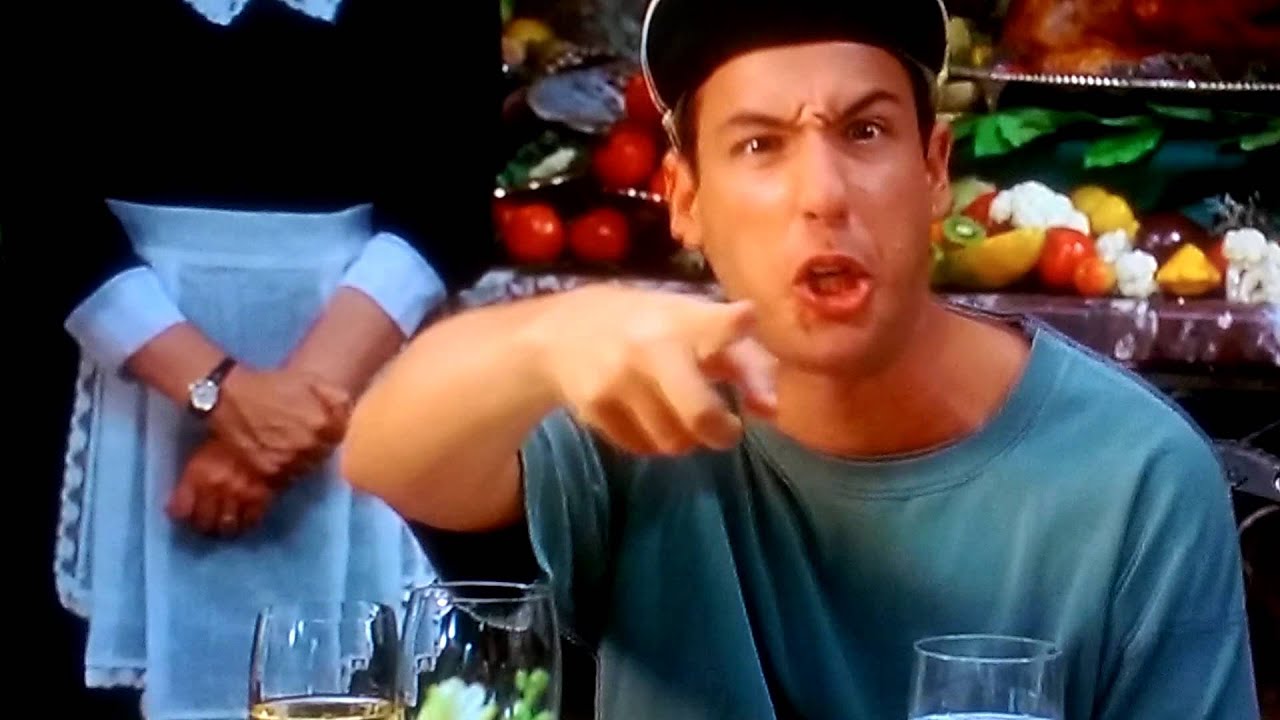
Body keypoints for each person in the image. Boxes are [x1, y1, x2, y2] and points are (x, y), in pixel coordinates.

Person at [340, 0, 1260, 717]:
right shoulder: (643, 408)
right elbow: (389, 453)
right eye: (759, 145)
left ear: (935, 171)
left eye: (865, 132)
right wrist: (546, 336)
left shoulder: (1135, 477)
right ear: (685, 200)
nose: (822, 193)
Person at [22, 0, 502, 718]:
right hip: (99, 398)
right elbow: (39, 197)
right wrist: (219, 390)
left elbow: (446, 195)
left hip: (360, 391)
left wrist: (286, 417)